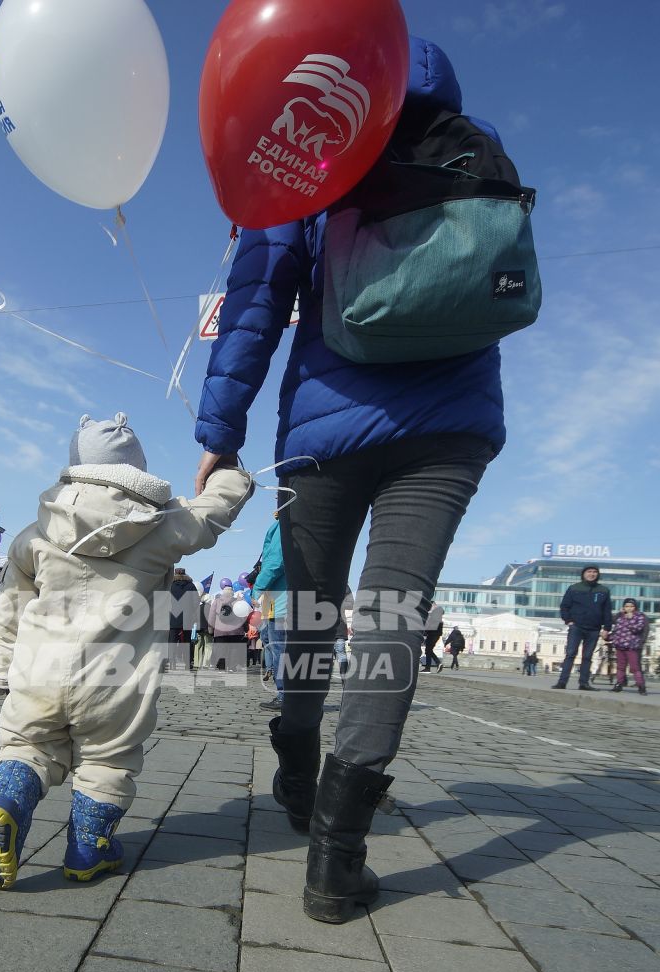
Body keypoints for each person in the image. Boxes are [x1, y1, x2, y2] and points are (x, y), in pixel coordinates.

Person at [195, 36, 515, 924]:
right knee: (394, 616)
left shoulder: (306, 150)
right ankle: (337, 863)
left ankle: (297, 750)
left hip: (324, 425)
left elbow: (257, 300)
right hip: (450, 422)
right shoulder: (472, 144)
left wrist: (220, 432)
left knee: (312, 605)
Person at [0, 413, 252, 889]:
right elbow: (214, 511)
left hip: (38, 671)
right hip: (115, 679)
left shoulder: (34, 534)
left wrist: (2, 668)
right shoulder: (161, 526)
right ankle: (88, 852)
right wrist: (229, 469)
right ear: (135, 471)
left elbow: (10, 611)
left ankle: (5, 802)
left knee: (27, 747)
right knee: (107, 760)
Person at [553, 565, 612, 690]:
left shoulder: (603, 591)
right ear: (584, 574)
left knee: (587, 656)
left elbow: (607, 611)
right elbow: (565, 606)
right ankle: (562, 682)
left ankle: (584, 683)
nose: (592, 574)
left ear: (598, 574)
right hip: (577, 627)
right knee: (570, 654)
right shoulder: (574, 588)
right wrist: (568, 621)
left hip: (594, 629)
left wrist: (606, 628)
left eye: (595, 572)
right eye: (589, 572)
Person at [252, 527, 288, 708]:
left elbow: (275, 562)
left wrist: (257, 588)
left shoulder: (284, 522)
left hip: (280, 601)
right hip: (297, 600)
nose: (275, 496)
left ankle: (284, 696)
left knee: (280, 651)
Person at [607, 598, 649, 694]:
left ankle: (641, 685)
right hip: (620, 645)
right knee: (620, 666)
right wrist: (609, 638)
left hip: (632, 646)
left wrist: (630, 620)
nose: (629, 608)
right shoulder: (621, 617)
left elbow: (637, 629)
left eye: (631, 606)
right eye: (626, 606)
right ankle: (619, 684)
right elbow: (616, 629)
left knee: (635, 667)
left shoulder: (640, 617)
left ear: (635, 607)